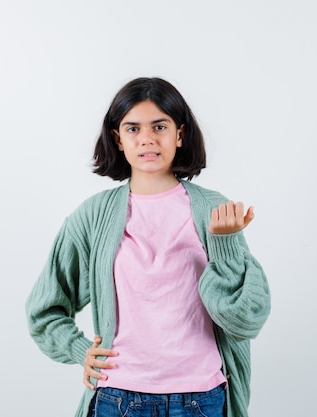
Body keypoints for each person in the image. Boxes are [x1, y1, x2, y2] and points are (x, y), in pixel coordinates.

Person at [25, 77, 271, 417]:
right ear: (117, 138)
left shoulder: (214, 211)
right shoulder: (93, 216)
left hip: (200, 398)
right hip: (118, 398)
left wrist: (225, 244)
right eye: (132, 129)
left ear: (180, 134)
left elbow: (246, 321)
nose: (147, 139)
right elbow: (44, 309)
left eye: (159, 126)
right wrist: (81, 350)